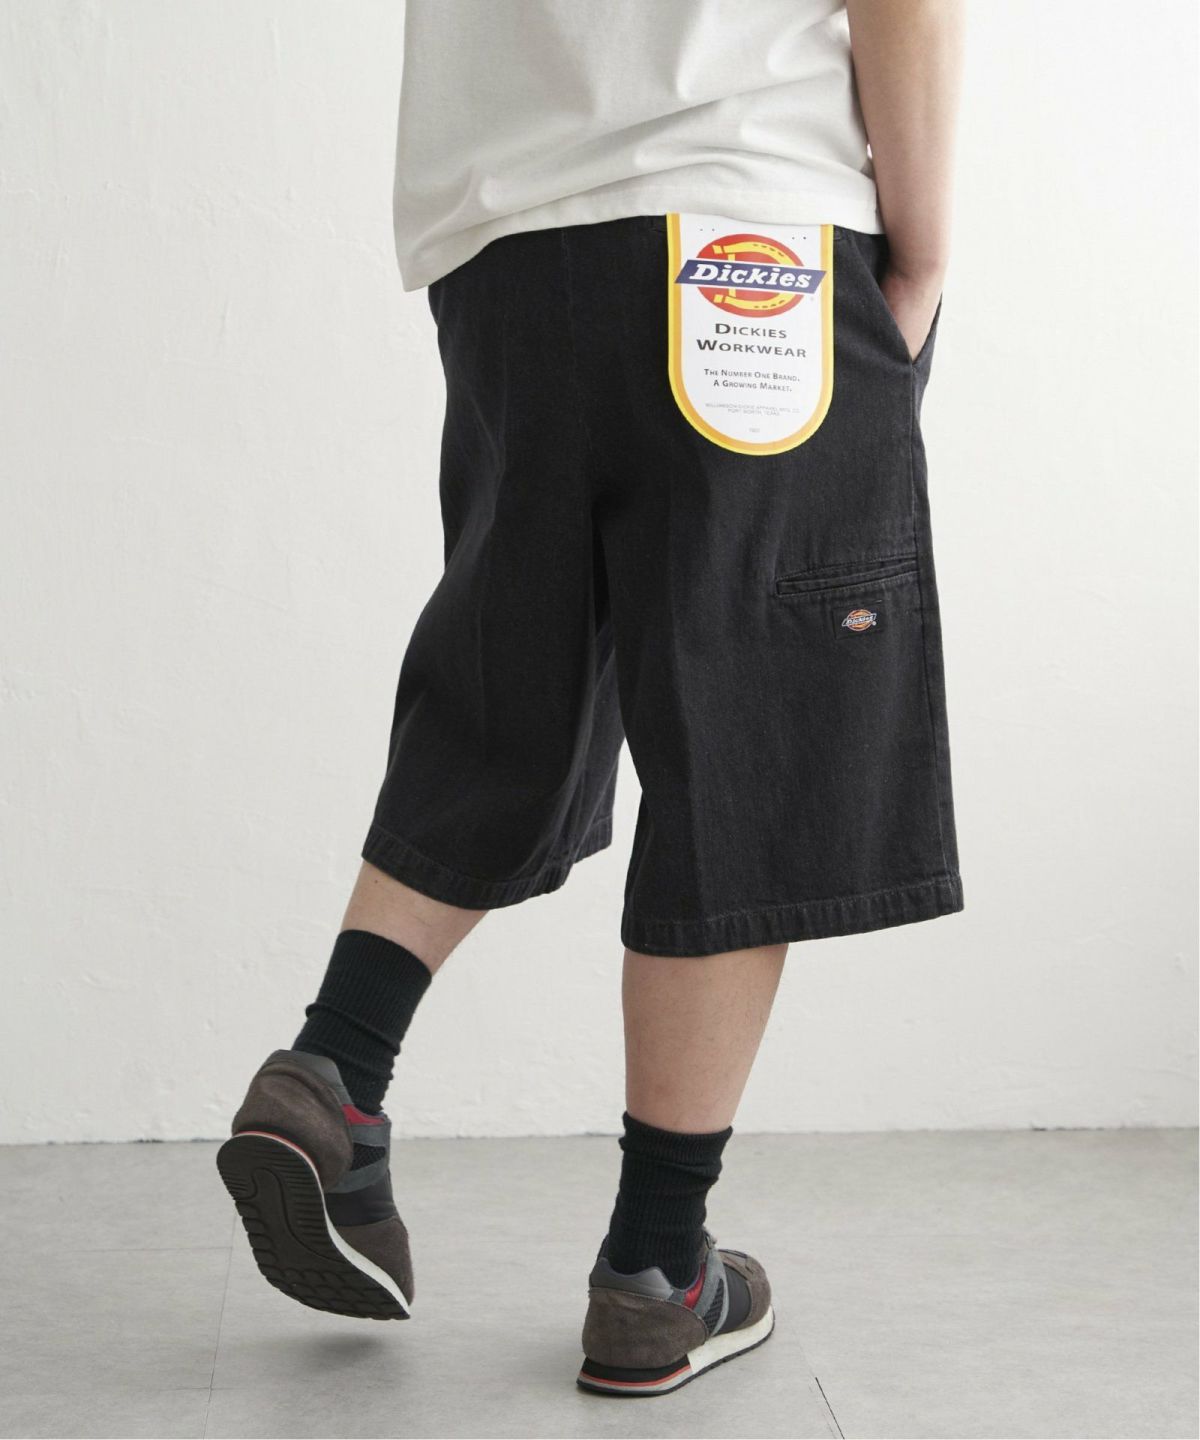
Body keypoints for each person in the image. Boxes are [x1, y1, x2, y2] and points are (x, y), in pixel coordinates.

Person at [217, 0, 965, 1398]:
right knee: (746, 747)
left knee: (510, 695)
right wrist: (920, 252)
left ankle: (335, 1074)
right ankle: (655, 1268)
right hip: (752, 227)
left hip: (508, 247)